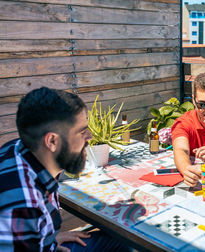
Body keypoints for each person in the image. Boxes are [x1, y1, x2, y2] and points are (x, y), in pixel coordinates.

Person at [0, 87, 131, 251]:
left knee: (119, 242)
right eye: (82, 131)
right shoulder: (23, 205)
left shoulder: (19, 149)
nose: (90, 137)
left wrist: (50, 240)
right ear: (52, 141)